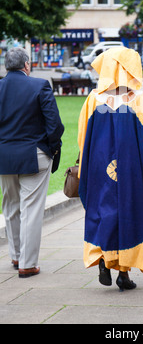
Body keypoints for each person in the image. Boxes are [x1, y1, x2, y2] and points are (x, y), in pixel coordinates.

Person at [78, 47, 143, 291]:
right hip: (131, 169)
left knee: (104, 211)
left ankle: (104, 257)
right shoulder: (141, 99)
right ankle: (123, 272)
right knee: (130, 213)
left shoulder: (94, 99)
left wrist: (86, 166)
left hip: (100, 167)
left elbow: (83, 137)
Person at [0, 47, 64, 278]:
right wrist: (53, 146)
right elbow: (54, 124)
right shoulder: (39, 85)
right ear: (26, 65)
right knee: (31, 209)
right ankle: (27, 263)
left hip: (4, 156)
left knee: (10, 206)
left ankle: (16, 256)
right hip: (33, 153)